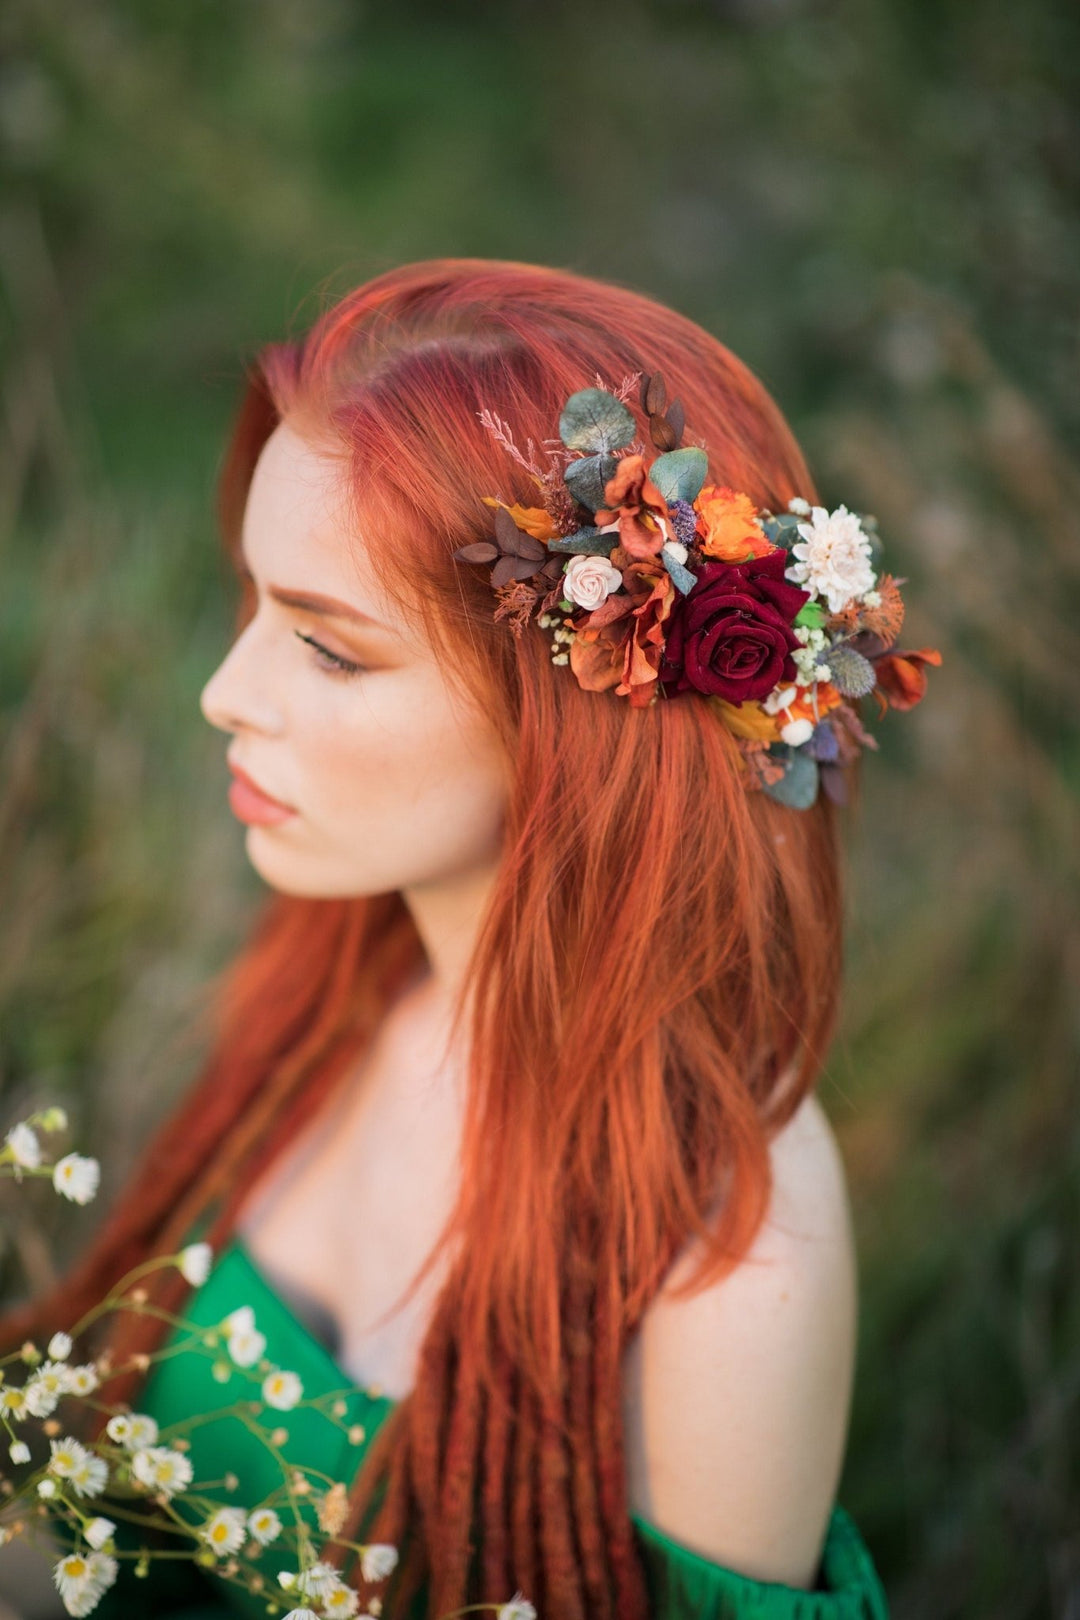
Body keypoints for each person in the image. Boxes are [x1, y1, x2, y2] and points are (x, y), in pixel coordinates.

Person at [1, 258, 898, 1619]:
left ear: (580, 721)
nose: (220, 695)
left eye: (333, 651)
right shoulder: (340, 989)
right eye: (255, 607)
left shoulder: (727, 1239)